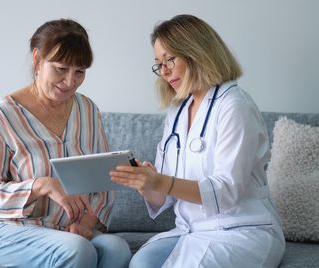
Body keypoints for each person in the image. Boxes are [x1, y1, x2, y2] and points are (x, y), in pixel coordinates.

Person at [110, 14, 285, 268]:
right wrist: (146, 183)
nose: (164, 71)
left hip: (241, 230)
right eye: (159, 63)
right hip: (191, 231)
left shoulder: (235, 106)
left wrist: (161, 181)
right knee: (141, 263)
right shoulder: (178, 110)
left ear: (197, 53)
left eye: (170, 59)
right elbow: (164, 197)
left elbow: (226, 191)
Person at [0, 19, 131, 268]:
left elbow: (103, 179)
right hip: (4, 229)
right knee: (77, 250)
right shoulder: (1, 115)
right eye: (60, 68)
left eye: (79, 72)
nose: (70, 81)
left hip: (65, 229)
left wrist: (87, 222)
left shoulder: (87, 110)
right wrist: (42, 185)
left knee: (116, 249)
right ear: (37, 59)